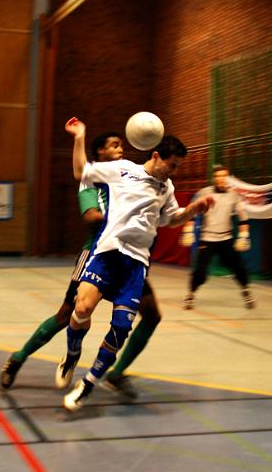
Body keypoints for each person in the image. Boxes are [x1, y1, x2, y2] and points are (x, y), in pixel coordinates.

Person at [59, 117, 214, 411]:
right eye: (172, 164)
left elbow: (171, 219)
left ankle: (87, 385)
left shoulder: (166, 187)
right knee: (81, 309)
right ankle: (72, 354)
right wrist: (80, 135)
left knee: (120, 327)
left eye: (177, 166)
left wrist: (193, 209)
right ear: (156, 156)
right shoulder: (123, 170)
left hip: (136, 264)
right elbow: (81, 171)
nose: (174, 171)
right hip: (107, 253)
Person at [0, 130, 162, 400]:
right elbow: (91, 216)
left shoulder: (131, 178)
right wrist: (127, 219)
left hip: (130, 258)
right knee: (66, 315)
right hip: (98, 254)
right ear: (99, 153)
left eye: (121, 145)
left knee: (152, 314)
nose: (120, 149)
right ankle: (17, 358)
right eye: (113, 145)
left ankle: (116, 373)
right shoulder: (93, 180)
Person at [183, 164, 255, 310]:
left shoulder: (234, 195)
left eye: (223, 176)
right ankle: (190, 295)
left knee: (238, 267)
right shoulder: (204, 193)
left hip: (226, 239)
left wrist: (243, 235)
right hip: (207, 239)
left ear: (227, 178)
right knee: (200, 271)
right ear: (213, 178)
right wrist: (188, 231)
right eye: (217, 176)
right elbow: (192, 212)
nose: (220, 179)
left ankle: (246, 292)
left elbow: (243, 217)